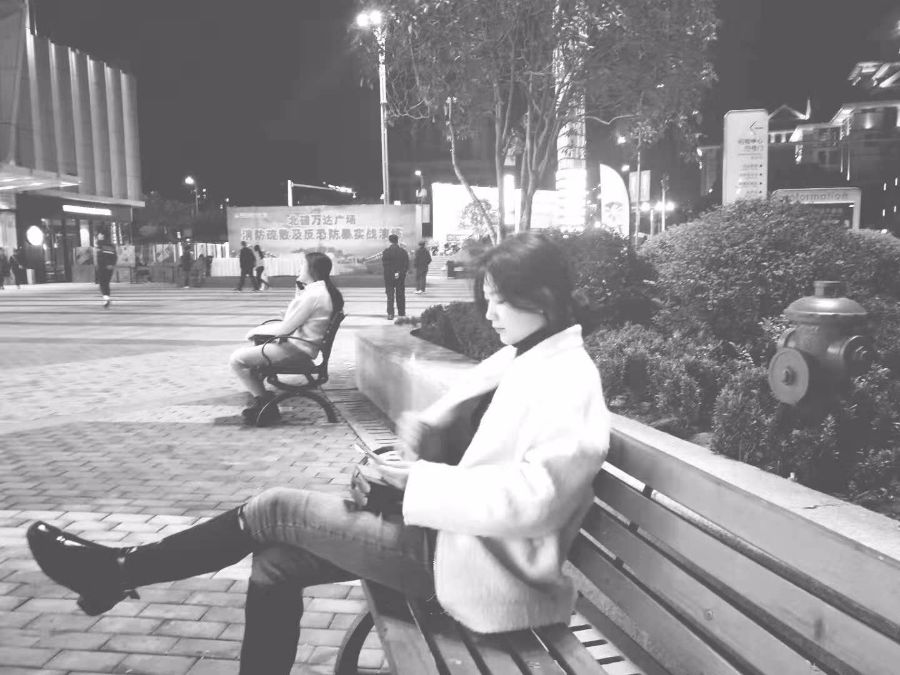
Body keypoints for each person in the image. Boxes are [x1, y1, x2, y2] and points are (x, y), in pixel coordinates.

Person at [25, 232, 610, 675]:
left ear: (542, 298)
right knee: (274, 562)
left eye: (500, 301)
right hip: (448, 540)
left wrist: (416, 484)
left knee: (273, 508)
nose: (488, 313)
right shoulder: (523, 357)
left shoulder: (566, 380)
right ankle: (115, 573)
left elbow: (537, 500)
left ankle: (118, 571)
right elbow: (465, 451)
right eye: (486, 299)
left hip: (478, 569)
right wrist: (406, 463)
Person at [230, 251, 343, 425]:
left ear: (312, 269)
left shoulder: (313, 295)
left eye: (303, 265)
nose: (300, 268)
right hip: (300, 347)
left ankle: (265, 404)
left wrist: (254, 332)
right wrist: (298, 294)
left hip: (296, 350)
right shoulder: (319, 292)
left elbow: (285, 328)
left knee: (237, 360)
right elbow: (292, 322)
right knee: (252, 359)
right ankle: (264, 404)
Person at [381, 233, 409, 319]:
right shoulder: (403, 252)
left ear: (390, 241)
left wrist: (391, 272)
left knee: (390, 296)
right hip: (399, 276)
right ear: (397, 241)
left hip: (389, 276)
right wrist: (400, 273)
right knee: (400, 294)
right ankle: (401, 313)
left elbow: (384, 265)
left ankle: (390, 314)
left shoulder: (386, 252)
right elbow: (406, 265)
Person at [95, 233, 118, 308]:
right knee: (106, 283)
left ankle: (106, 298)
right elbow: (115, 256)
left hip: (102, 267)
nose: (98, 237)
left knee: (102, 283)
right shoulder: (111, 246)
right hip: (109, 267)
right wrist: (112, 264)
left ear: (103, 237)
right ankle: (106, 297)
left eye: (99, 236)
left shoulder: (100, 245)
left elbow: (101, 257)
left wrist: (100, 265)